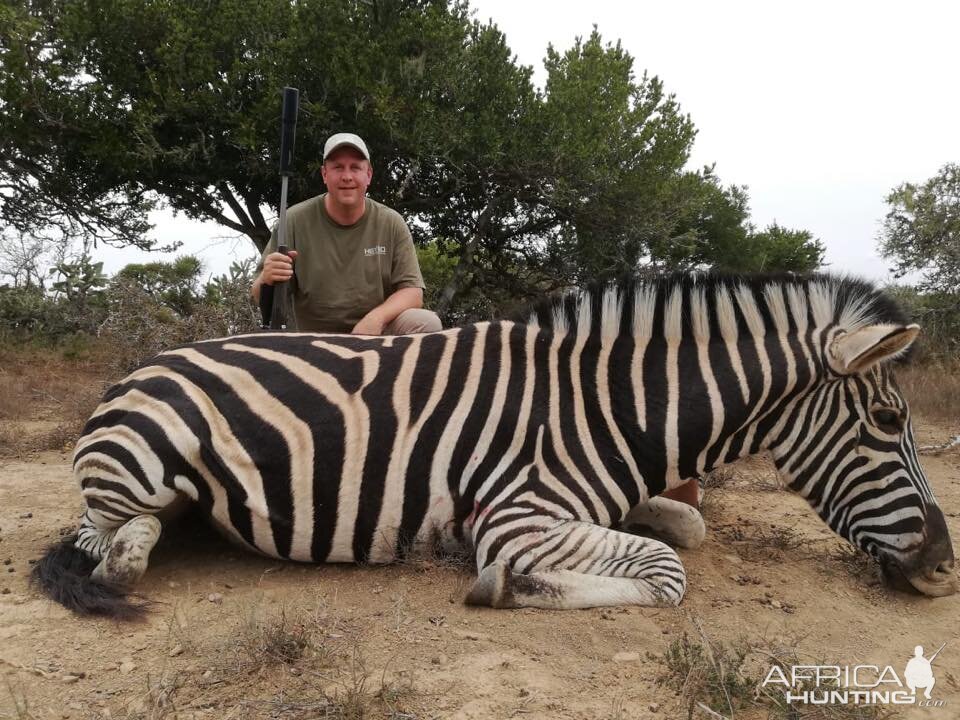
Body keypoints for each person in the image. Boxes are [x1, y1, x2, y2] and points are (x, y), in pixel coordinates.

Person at [251, 132, 442, 335]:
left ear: (368, 174)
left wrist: (374, 320)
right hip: (315, 343)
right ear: (325, 174)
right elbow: (258, 295)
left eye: (355, 167)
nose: (347, 176)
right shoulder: (293, 221)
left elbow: (413, 293)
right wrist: (267, 278)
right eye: (338, 167)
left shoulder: (391, 222)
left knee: (427, 323)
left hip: (375, 337)